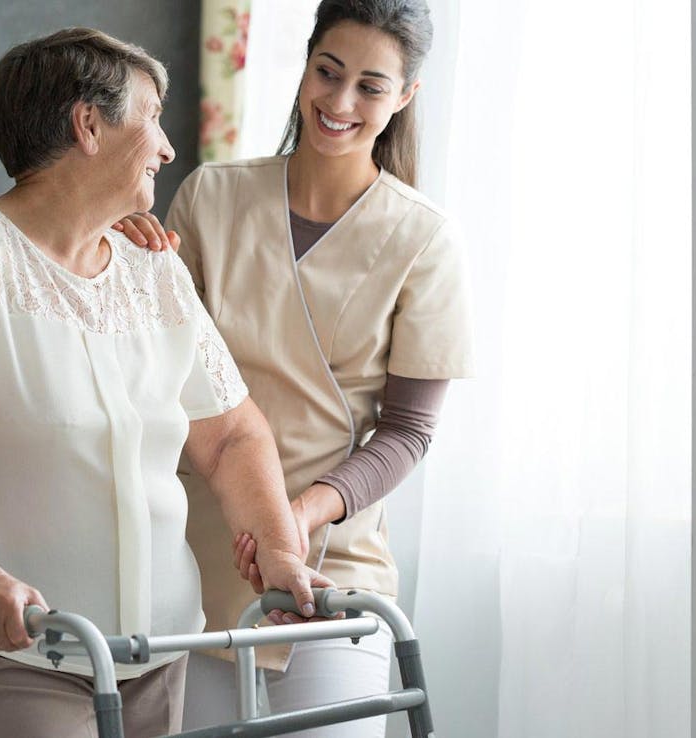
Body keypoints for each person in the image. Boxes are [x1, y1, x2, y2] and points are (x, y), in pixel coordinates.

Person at [0, 28, 327, 738]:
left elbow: (231, 435)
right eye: (151, 117)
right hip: (17, 643)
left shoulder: (151, 267)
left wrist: (280, 549)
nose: (167, 147)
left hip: (159, 645)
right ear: (89, 124)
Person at [117, 1, 474, 735]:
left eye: (371, 87)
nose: (339, 104)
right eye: (328, 72)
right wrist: (124, 261)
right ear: (306, 62)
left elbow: (406, 432)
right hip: (202, 558)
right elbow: (153, 374)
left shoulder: (425, 240)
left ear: (405, 97)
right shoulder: (213, 197)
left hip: (332, 571)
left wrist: (295, 517)